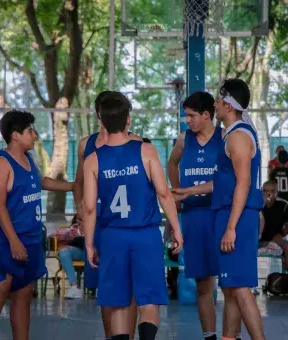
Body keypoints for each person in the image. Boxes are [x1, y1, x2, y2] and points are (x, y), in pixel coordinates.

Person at [83, 91, 183, 340]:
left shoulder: (93, 160)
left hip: (112, 236)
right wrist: (177, 229)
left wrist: (88, 244)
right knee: (148, 300)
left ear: (102, 122)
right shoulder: (146, 151)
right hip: (145, 235)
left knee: (117, 301)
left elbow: (89, 207)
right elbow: (164, 194)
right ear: (128, 120)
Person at [172, 78, 265, 340]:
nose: (215, 105)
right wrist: (188, 191)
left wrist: (232, 227)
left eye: (219, 101)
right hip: (228, 212)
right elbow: (226, 182)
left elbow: (243, 183)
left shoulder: (236, 136)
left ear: (228, 105)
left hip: (236, 215)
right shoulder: (236, 132)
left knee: (240, 289)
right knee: (232, 286)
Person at [0, 110, 74, 340]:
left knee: (24, 293)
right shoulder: (0, 165)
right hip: (5, 240)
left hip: (31, 238)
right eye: (30, 131)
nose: (35, 135)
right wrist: (13, 241)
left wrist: (73, 186)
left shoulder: (29, 160)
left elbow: (41, 181)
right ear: (15, 135)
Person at [73, 90, 141, 340]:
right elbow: (78, 182)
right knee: (107, 287)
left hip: (126, 224)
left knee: (130, 286)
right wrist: (80, 206)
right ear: (99, 114)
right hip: (98, 223)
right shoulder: (86, 145)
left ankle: (128, 336)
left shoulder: (136, 143)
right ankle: (111, 336)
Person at [167, 91, 222, 340]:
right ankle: (209, 335)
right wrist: (178, 194)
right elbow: (171, 164)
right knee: (203, 283)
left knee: (231, 284)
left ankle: (233, 334)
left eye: (191, 116)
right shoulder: (183, 139)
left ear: (207, 115)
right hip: (193, 216)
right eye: (185, 116)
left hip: (218, 214)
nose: (187, 120)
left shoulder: (225, 139)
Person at [259, 180, 288, 273]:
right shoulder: (256, 204)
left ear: (276, 192)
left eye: (271, 191)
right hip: (257, 239)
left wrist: (282, 234)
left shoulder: (284, 204)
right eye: (265, 191)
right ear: (261, 191)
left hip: (277, 239)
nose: (268, 193)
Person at [50, 214, 85, 299]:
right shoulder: (72, 230)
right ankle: (74, 287)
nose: (79, 222)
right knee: (64, 252)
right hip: (79, 252)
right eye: (78, 220)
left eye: (82, 220)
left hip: (92, 251)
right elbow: (51, 237)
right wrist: (67, 237)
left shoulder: (96, 227)